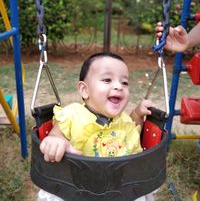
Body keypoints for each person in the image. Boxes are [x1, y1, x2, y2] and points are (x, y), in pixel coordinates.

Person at [38, 52, 155, 201]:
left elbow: (134, 132)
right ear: (84, 90)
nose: (119, 86)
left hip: (116, 187)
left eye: (124, 82)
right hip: (75, 186)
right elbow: (55, 135)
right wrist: (56, 141)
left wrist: (137, 114)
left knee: (139, 194)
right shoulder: (73, 114)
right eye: (107, 80)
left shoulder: (123, 120)